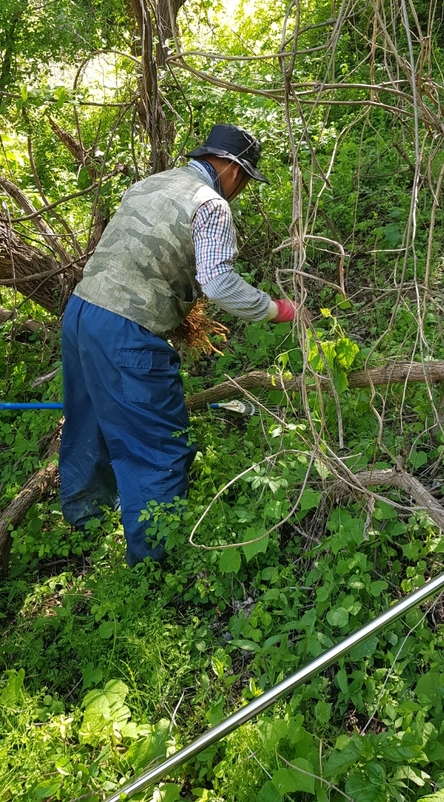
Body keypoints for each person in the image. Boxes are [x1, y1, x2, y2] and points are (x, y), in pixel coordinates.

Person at [58, 124, 297, 565]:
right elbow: (220, 283)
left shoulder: (152, 183)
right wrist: (277, 310)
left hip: (81, 314)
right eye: (243, 178)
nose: (240, 189)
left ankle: (82, 525)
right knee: (158, 449)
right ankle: (153, 569)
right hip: (127, 331)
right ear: (229, 168)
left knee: (87, 421)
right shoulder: (211, 205)